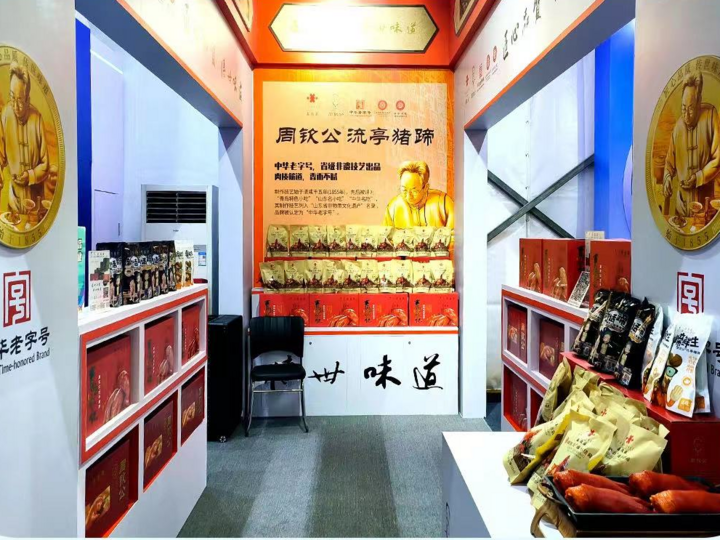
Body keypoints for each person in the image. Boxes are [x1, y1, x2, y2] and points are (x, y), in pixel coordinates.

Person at [663, 72, 720, 218]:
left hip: (705, 206)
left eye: (691, 108)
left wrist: (698, 177)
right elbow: (669, 163)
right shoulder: (678, 128)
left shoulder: (710, 116)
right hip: (682, 206)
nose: (686, 115)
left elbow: (718, 159)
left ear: (699, 102)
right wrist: (667, 177)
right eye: (683, 108)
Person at [0, 62, 49, 214]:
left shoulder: (37, 119)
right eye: (12, 98)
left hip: (36, 201)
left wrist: (30, 176)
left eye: (20, 100)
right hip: (14, 198)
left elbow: (45, 165)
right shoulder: (6, 115)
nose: (15, 106)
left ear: (28, 99)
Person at [383, 161, 455, 228]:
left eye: (414, 191)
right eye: (404, 190)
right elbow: (385, 235)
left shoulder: (445, 204)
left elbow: (455, 235)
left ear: (426, 187)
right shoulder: (393, 207)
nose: (409, 196)